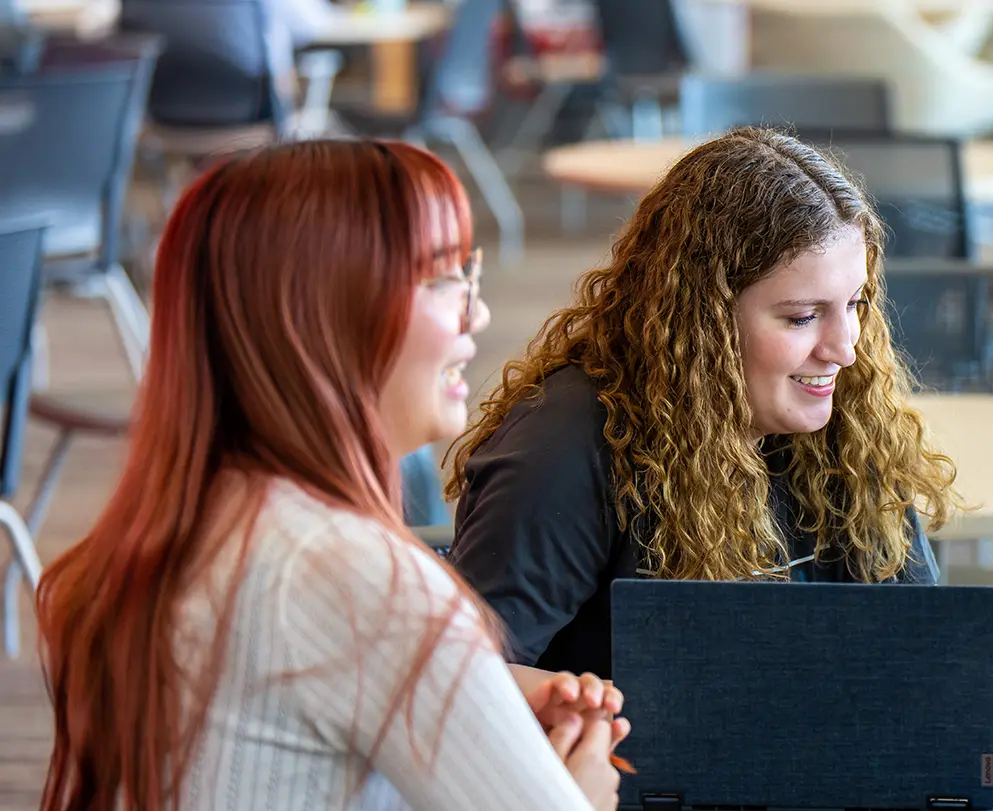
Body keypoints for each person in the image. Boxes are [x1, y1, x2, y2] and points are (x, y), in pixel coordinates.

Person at [36, 140, 628, 811]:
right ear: (325, 317)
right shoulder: (358, 577)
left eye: (471, 274)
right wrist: (581, 788)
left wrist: (475, 689)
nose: (477, 312)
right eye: (440, 280)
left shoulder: (178, 528)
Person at [445, 127, 960, 682]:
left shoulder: (852, 427)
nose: (845, 348)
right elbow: (461, 681)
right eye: (802, 317)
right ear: (702, 321)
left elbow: (919, 655)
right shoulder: (564, 448)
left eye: (855, 304)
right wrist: (613, 711)